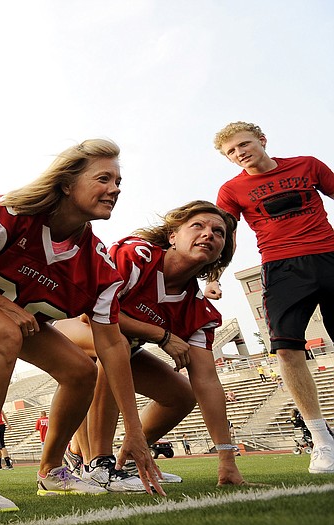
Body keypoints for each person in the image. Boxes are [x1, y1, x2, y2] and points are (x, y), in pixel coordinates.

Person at [0, 139, 163, 509]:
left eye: (119, 182)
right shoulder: (14, 213)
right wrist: (3, 305)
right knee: (4, 331)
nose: (115, 189)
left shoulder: (97, 266)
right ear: (67, 183)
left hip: (13, 316)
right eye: (104, 178)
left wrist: (134, 431)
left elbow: (111, 346)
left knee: (80, 370)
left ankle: (52, 471)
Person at [58, 200, 248, 488]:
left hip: (120, 346)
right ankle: (99, 463)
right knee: (115, 346)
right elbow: (90, 312)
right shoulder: (137, 254)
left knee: (182, 395)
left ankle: (130, 458)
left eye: (219, 232)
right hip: (71, 325)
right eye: (198, 225)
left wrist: (227, 459)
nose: (209, 234)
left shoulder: (198, 310)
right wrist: (161, 335)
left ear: (220, 254)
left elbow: (207, 381)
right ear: (172, 236)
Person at [211, 121, 334, 474]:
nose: (240, 153)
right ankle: (322, 442)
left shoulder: (307, 165)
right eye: (231, 152)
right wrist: (215, 277)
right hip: (281, 268)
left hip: (329, 255)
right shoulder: (231, 190)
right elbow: (225, 237)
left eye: (244, 144)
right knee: (286, 349)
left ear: (262, 140)